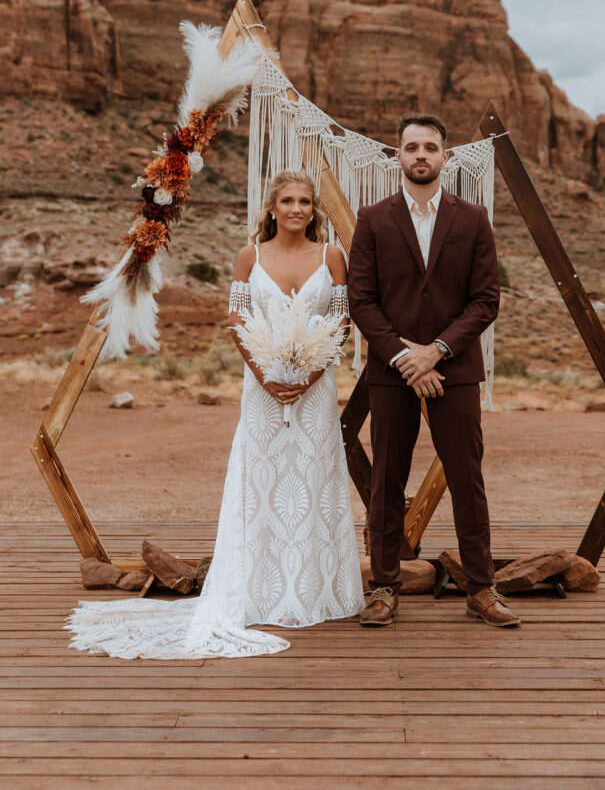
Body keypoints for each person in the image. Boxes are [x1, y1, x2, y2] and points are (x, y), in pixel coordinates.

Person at [66, 170, 364, 658]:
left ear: (314, 209)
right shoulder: (250, 256)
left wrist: (309, 376)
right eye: (287, 200)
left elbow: (342, 322)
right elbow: (237, 323)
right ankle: (259, 590)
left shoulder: (332, 257)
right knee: (262, 481)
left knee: (312, 483)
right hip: (262, 387)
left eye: (305, 201)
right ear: (271, 208)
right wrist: (267, 378)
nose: (296, 209)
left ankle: (313, 590)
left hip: (314, 389)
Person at [348, 115, 520, 629]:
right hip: (392, 371)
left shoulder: (473, 218)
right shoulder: (373, 219)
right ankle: (382, 587)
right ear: (397, 157)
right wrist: (407, 357)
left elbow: (486, 299)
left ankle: (481, 588)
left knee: (467, 478)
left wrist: (437, 350)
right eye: (411, 147)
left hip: (455, 371)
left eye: (430, 147)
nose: (420, 155)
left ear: (445, 157)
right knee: (386, 480)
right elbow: (362, 300)